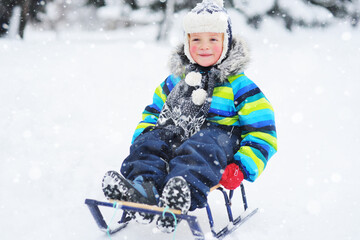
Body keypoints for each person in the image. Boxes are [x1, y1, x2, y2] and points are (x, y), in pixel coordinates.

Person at [102, 0, 277, 233]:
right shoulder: (176, 81)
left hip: (220, 142)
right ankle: (144, 188)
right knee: (154, 140)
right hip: (179, 132)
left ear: (226, 43)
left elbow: (263, 131)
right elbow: (153, 113)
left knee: (202, 144)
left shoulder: (239, 85)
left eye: (213, 39)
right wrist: (145, 137)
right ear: (187, 43)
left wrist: (243, 165)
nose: (204, 46)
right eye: (196, 39)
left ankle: (180, 193)